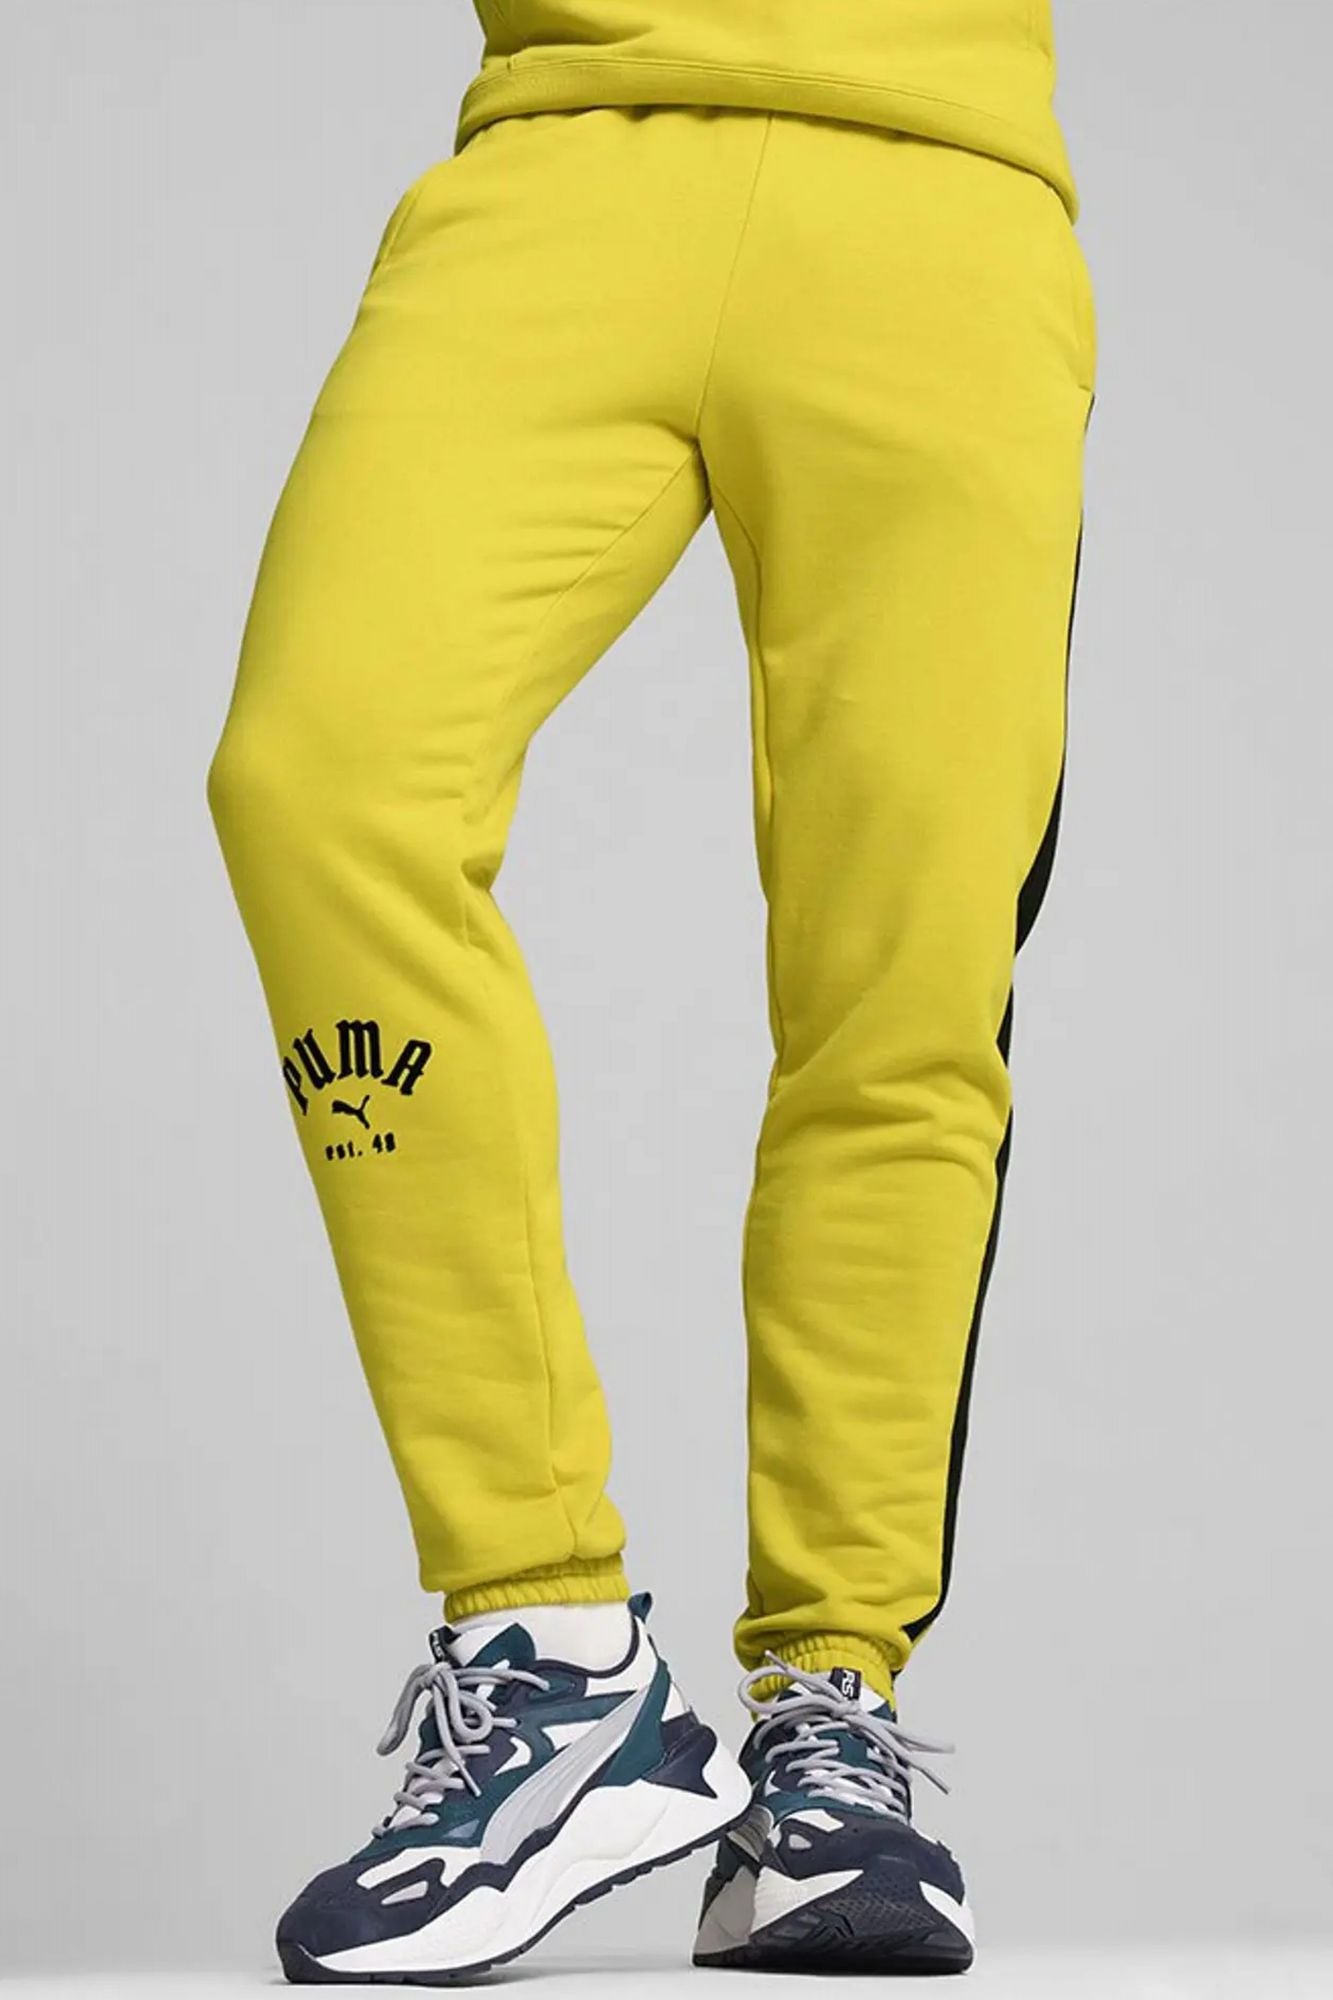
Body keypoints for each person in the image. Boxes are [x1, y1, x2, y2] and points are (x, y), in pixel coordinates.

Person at [208, 0, 1094, 1981]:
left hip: (940, 191)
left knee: (902, 967)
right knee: (316, 782)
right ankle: (550, 1648)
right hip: (564, 151)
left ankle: (829, 1713)